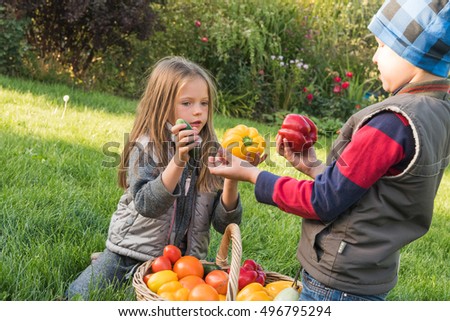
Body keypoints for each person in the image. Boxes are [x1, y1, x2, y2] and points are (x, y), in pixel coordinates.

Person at [208, 0, 450, 301]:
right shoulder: (437, 112)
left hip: (337, 282)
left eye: (381, 46)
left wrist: (252, 174)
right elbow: (371, 192)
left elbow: (322, 201)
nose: (375, 58)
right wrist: (313, 167)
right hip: (370, 274)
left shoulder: (392, 123)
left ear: (412, 52)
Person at [68, 56, 254, 300]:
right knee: (78, 297)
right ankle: (108, 264)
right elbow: (147, 204)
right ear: (162, 104)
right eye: (186, 103)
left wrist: (232, 177)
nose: (198, 111)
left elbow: (223, 223)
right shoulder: (147, 146)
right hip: (131, 253)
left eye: (204, 103)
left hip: (186, 265)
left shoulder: (210, 150)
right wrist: (178, 160)